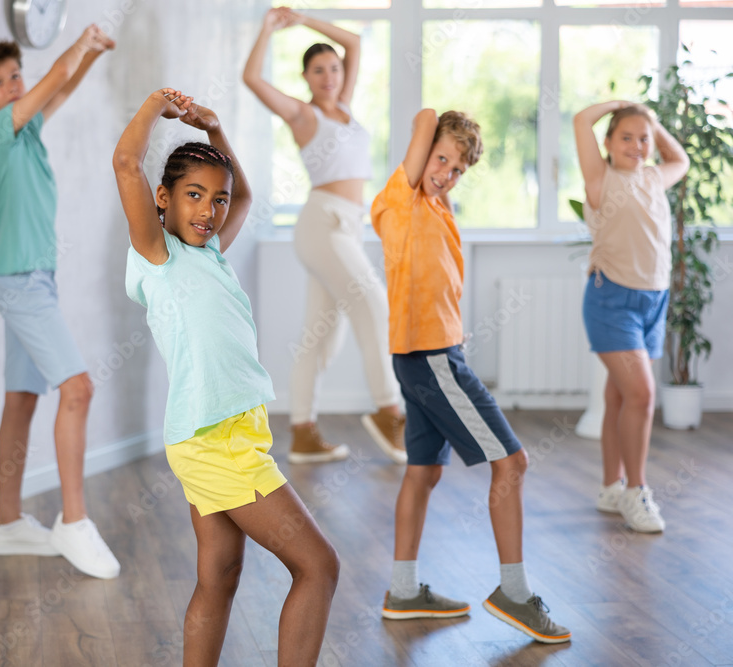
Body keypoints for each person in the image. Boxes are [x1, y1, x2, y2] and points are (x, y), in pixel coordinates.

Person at [113, 88, 340, 666]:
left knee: (220, 575)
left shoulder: (210, 252)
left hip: (230, 428)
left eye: (216, 201)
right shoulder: (156, 255)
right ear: (161, 199)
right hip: (215, 438)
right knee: (318, 565)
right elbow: (124, 163)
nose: (207, 212)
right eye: (193, 196)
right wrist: (153, 106)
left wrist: (215, 129)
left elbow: (248, 195)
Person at [371, 109, 571, 643]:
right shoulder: (399, 196)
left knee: (423, 472)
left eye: (458, 168)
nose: (446, 173)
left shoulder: (437, 206)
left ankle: (403, 590)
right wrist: (438, 135)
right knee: (513, 463)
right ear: (420, 154)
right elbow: (424, 117)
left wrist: (451, 164)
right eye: (440, 159)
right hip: (432, 360)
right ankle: (514, 592)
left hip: (430, 357)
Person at [0, 26, 120, 576]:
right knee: (77, 388)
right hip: (18, 281)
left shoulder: (26, 133)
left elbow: (60, 89)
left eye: (13, 76)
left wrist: (93, 57)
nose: (9, 86)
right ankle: (73, 523)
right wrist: (79, 41)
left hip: (33, 279)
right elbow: (52, 80)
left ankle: (7, 524)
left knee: (22, 399)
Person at [243, 6, 406, 465]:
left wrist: (305, 16)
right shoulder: (304, 116)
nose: (330, 75)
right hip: (322, 225)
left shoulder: (346, 110)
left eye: (334, 68)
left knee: (320, 337)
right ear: (306, 78)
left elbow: (353, 42)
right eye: (319, 70)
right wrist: (270, 27)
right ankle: (389, 411)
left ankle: (302, 432)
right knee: (373, 303)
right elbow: (252, 79)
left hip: (347, 229)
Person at [574, 101, 689, 533]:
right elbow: (580, 120)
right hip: (612, 301)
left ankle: (610, 486)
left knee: (619, 398)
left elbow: (682, 159)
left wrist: (650, 126)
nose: (638, 146)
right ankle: (636, 491)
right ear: (607, 142)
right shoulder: (601, 181)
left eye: (644, 139)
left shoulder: (655, 177)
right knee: (641, 394)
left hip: (653, 303)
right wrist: (621, 107)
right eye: (626, 137)